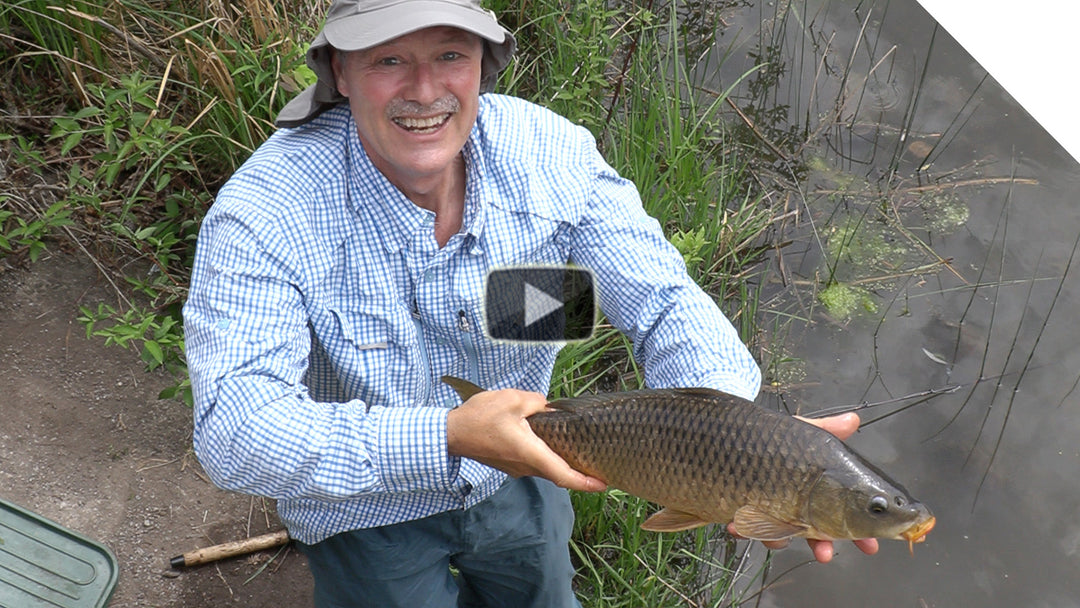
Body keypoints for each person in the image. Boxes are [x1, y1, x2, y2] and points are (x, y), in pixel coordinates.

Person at [183, 1, 877, 606]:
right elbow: (235, 434)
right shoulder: (263, 213)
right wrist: (448, 435)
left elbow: (665, 301)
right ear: (339, 71)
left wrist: (737, 436)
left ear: (482, 63)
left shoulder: (549, 151)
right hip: (358, 506)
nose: (424, 90)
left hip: (531, 469)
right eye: (388, 59)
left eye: (449, 54)